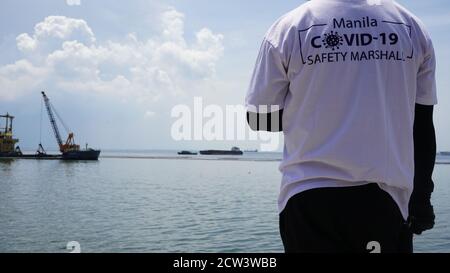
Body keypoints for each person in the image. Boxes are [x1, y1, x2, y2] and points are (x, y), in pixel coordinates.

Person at [246, 0, 437, 253]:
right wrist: (422, 198)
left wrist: (311, 113)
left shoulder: (289, 28)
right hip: (385, 200)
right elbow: (422, 126)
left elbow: (259, 119)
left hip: (307, 198)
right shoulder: (412, 28)